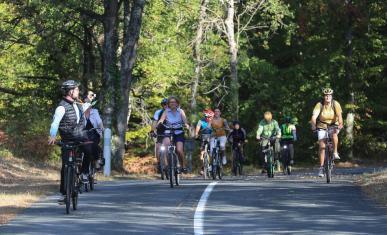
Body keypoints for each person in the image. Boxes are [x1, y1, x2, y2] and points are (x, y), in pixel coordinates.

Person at [48, 80, 92, 203]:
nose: (78, 91)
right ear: (70, 91)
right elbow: (55, 123)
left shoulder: (77, 105)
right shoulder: (61, 107)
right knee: (65, 166)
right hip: (67, 138)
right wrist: (52, 136)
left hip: (80, 136)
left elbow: (83, 120)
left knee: (89, 151)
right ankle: (64, 193)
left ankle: (83, 173)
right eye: (76, 89)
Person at [311, 88, 343, 177]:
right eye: (326, 95)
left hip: (334, 125)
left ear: (332, 96)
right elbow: (314, 117)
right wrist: (313, 125)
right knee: (322, 146)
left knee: (334, 134)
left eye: (329, 95)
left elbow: (340, 116)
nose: (328, 97)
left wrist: (340, 124)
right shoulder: (319, 105)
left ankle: (335, 152)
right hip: (322, 126)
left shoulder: (335, 104)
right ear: (323, 97)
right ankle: (321, 168)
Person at [157, 96, 190, 173]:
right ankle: (166, 165)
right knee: (165, 147)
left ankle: (183, 166)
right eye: (171, 102)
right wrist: (159, 124)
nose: (173, 104)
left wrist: (186, 125)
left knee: (179, 150)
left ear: (177, 103)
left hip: (179, 132)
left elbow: (185, 121)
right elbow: (161, 120)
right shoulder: (166, 111)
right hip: (168, 131)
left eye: (174, 102)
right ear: (168, 104)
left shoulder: (181, 111)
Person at [82, 102, 104, 171]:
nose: (89, 109)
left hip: (93, 133)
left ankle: (97, 159)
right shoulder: (81, 113)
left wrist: (101, 129)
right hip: (83, 134)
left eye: (89, 107)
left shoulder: (94, 112)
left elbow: (99, 122)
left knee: (93, 144)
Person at [195, 109, 214, 174]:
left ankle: (212, 165)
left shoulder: (213, 121)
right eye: (207, 117)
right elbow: (197, 128)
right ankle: (202, 167)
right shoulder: (201, 121)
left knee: (212, 152)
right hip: (203, 137)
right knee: (201, 153)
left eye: (210, 117)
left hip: (211, 137)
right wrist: (196, 134)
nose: (208, 118)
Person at [151, 98, 168, 172]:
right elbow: (154, 122)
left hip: (170, 131)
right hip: (160, 131)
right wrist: (152, 130)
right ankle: (159, 163)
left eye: (167, 104)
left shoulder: (172, 112)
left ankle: (173, 161)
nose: (166, 106)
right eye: (164, 104)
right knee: (158, 148)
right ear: (162, 105)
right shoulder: (158, 112)